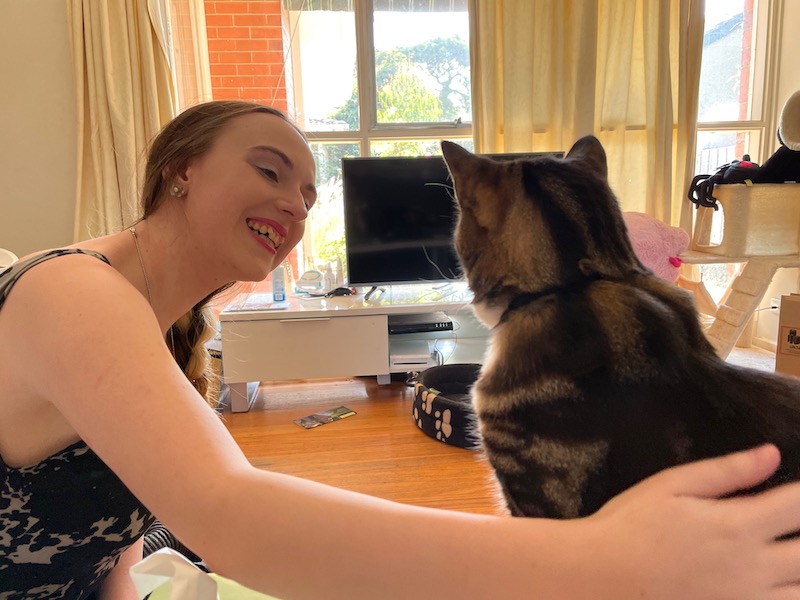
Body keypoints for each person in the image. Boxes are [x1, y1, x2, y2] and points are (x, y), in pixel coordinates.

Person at [2, 100, 800, 600]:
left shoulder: (170, 338)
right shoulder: (72, 291)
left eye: (309, 194)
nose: (295, 203)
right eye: (270, 169)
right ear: (181, 167)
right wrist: (604, 563)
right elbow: (233, 518)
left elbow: (110, 542)